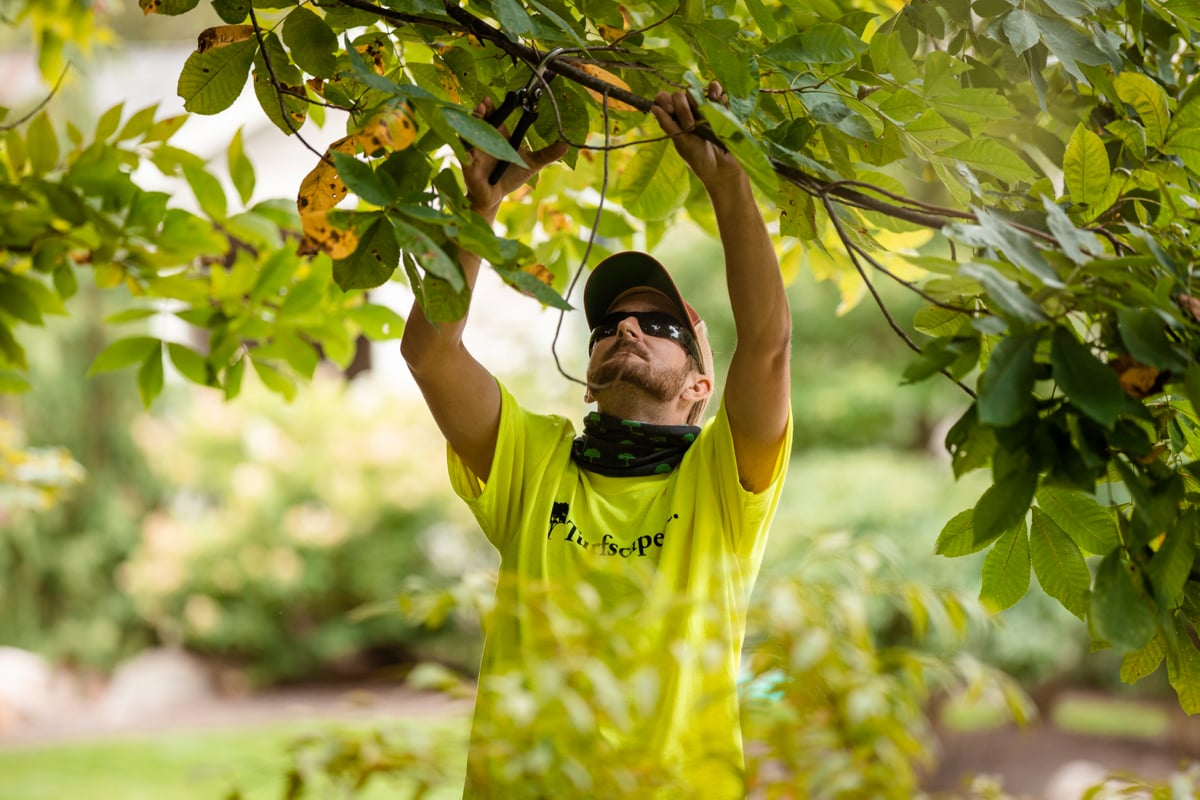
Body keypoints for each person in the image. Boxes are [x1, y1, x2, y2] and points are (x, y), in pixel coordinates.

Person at [401, 82, 792, 799]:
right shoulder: (535, 462)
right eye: (608, 327)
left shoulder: (723, 483)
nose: (627, 330)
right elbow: (431, 354)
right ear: (587, 380)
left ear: (699, 387)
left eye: (661, 326)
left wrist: (727, 180)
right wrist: (477, 214)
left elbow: (766, 345)